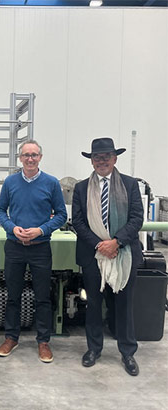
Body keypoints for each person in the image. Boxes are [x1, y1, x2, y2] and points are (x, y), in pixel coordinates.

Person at [72, 137, 143, 376]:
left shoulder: (130, 185)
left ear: (114, 159)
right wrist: (101, 245)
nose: (101, 161)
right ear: (91, 161)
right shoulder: (81, 188)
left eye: (106, 157)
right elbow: (79, 223)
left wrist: (116, 242)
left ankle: (128, 353)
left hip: (124, 254)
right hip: (94, 255)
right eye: (97, 158)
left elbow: (136, 219)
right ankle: (94, 349)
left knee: (123, 305)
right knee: (93, 304)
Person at [0, 139, 67, 362]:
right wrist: (11, 228)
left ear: (40, 158)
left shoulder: (52, 183)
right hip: (14, 247)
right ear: (20, 158)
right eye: (26, 155)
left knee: (43, 296)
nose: (30, 158)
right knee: (13, 296)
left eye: (34, 155)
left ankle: (43, 341)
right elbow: (0, 210)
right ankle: (11, 338)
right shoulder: (10, 182)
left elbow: (62, 215)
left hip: (40, 248)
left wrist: (41, 230)